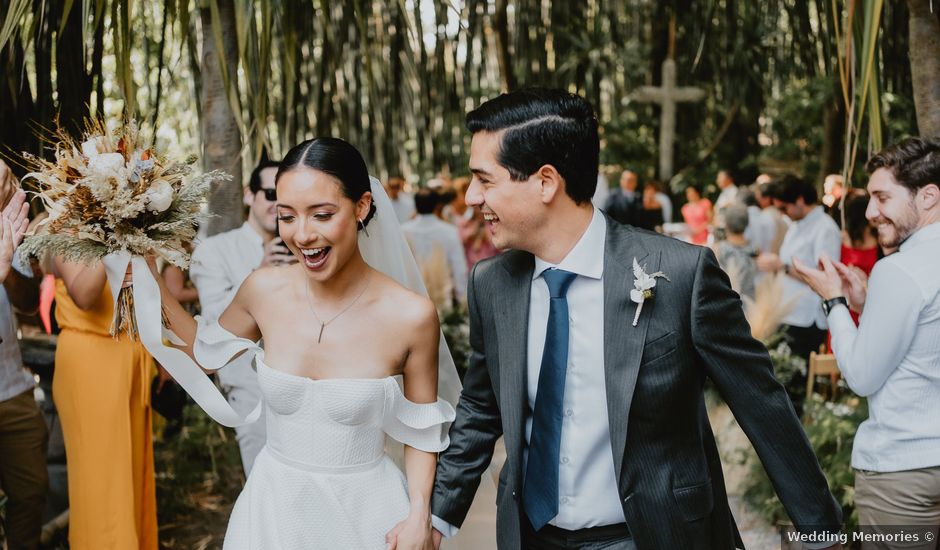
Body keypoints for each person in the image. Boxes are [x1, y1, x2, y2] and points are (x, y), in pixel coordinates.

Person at [429, 88, 842, 549]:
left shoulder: (682, 275)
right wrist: (436, 519)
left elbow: (763, 407)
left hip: (654, 535)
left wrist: (823, 534)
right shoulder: (493, 283)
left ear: (545, 182)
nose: (470, 197)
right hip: (531, 537)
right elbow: (482, 408)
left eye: (484, 180)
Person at [152, 137, 457, 549]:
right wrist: (146, 278)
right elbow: (204, 355)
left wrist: (420, 514)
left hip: (367, 515)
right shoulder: (263, 291)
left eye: (322, 215)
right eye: (287, 216)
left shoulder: (411, 316)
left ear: (362, 207)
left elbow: (421, 433)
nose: (303, 235)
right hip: (273, 511)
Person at [792, 136, 940, 545]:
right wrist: (871, 302)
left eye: (882, 197)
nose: (871, 212)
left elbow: (860, 375)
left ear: (928, 196)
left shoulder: (899, 270)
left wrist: (834, 302)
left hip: (903, 474)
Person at [189, 158, 295, 474]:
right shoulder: (214, 250)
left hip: (304, 382)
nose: (279, 205)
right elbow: (214, 324)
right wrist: (258, 275)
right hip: (251, 388)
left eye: (288, 198)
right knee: (263, 482)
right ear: (249, 194)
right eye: (271, 194)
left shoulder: (304, 245)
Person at [50, 260, 158, 549]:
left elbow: (154, 293)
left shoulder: (139, 223)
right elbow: (84, 296)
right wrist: (117, 235)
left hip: (133, 357)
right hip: (91, 363)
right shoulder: (62, 227)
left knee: (131, 482)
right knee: (102, 486)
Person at [0, 164, 48, 550]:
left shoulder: (5, 228)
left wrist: (5, 270)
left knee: (31, 492)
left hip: (12, 389)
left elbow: (29, 303)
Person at [756, 175, 842, 374]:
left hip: (806, 318)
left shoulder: (825, 228)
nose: (781, 213)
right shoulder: (796, 224)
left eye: (784, 208)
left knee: (794, 379)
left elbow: (824, 278)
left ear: (800, 200)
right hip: (788, 312)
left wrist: (782, 266)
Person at [402, 189, 469, 307]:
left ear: (416, 206)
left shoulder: (403, 231)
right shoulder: (449, 231)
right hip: (444, 300)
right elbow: (459, 268)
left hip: (411, 300)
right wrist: (462, 300)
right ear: (437, 205)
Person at [717, 204, 757, 299]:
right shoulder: (755, 250)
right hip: (751, 306)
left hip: (726, 304)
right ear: (747, 223)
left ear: (726, 224)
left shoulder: (717, 250)